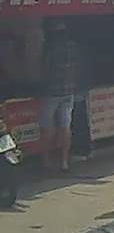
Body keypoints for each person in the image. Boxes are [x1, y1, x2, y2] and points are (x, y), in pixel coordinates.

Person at [41, 21, 86, 173]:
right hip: (69, 92)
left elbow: (45, 68)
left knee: (47, 127)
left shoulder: (51, 48)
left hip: (51, 92)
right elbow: (79, 67)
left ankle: (46, 161)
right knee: (65, 127)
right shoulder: (74, 47)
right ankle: (64, 162)